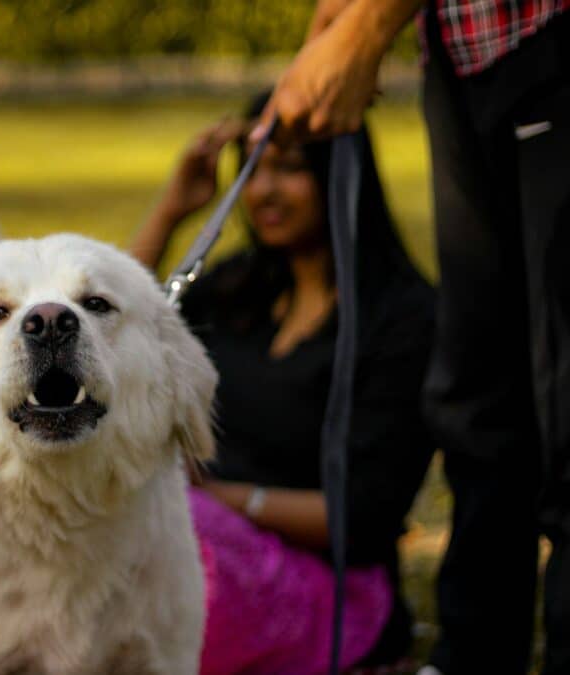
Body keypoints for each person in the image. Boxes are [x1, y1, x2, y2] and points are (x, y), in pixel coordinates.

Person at [252, 1, 568, 672]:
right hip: (459, 50)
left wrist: (367, 30)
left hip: (548, 30)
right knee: (479, 403)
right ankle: (472, 656)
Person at [131, 92, 435, 673]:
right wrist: (172, 211)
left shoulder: (402, 321)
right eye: (252, 168)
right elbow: (110, 336)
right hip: (197, 541)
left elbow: (364, 516)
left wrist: (222, 501)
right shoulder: (238, 288)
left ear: (341, 174)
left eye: (289, 168)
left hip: (326, 587)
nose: (264, 190)